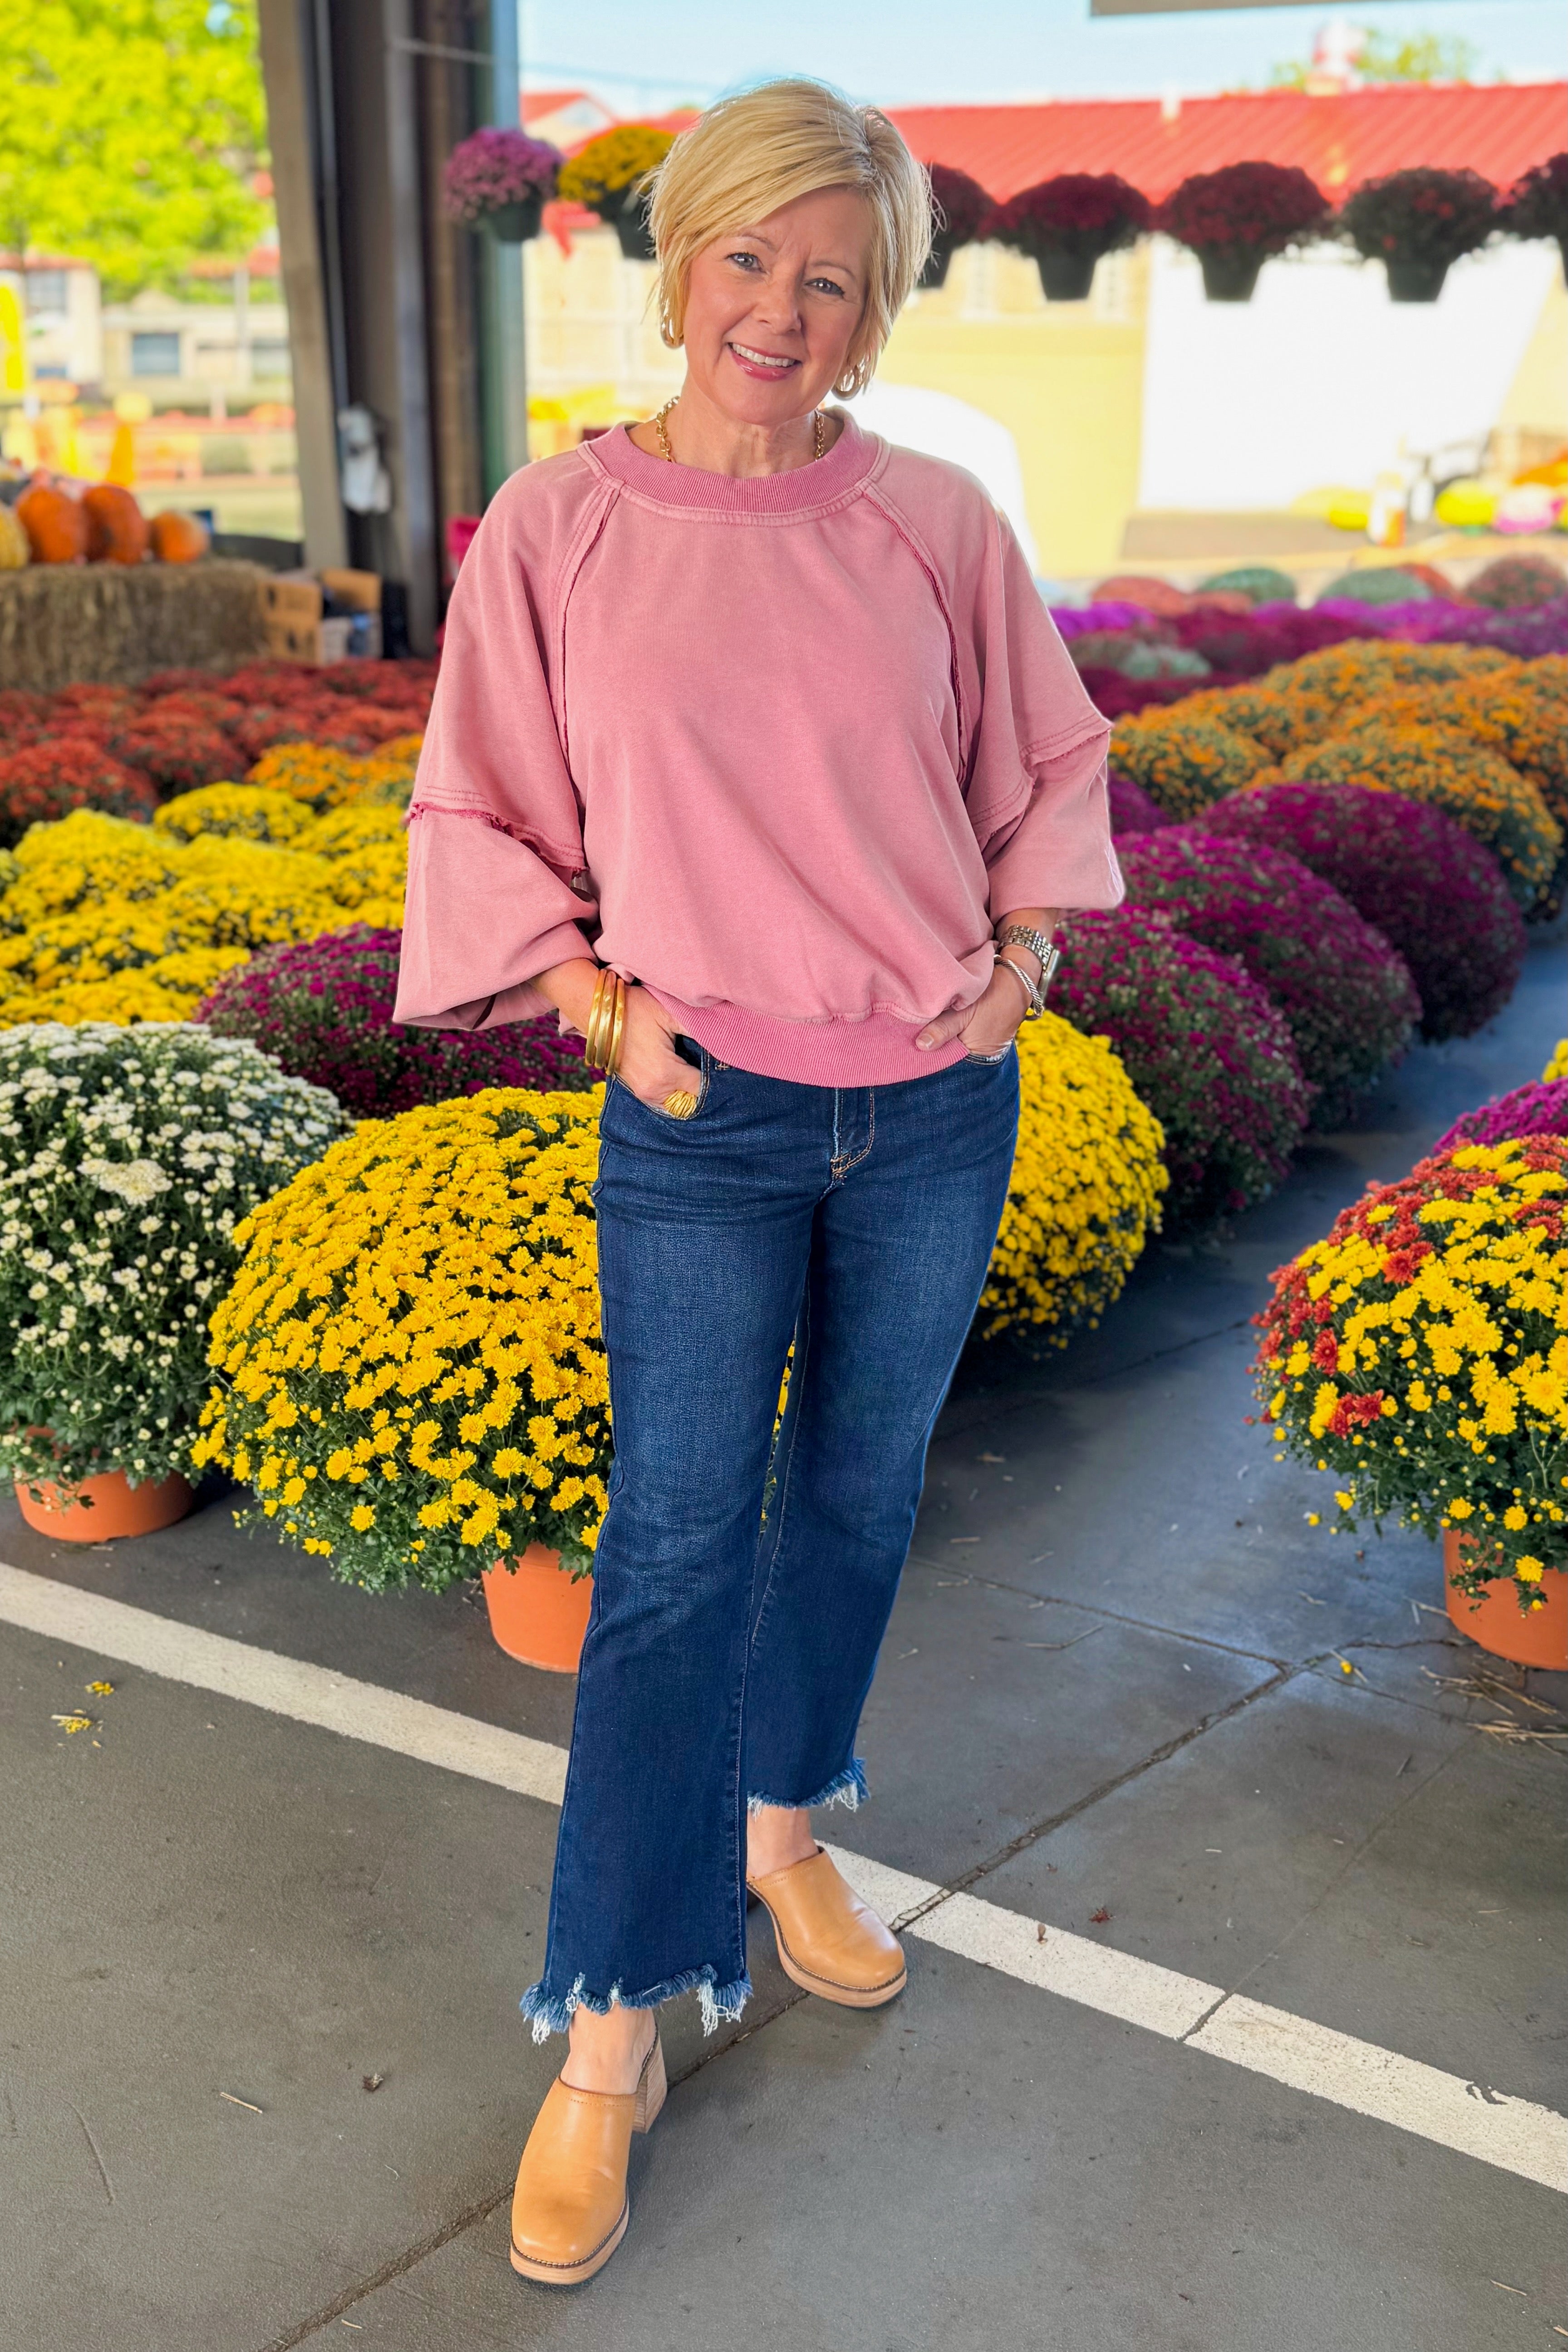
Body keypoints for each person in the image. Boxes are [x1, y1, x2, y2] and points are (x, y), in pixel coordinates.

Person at [395, 76, 1120, 2288]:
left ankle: (787, 1834)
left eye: (833, 274)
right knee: (676, 1557)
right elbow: (481, 815)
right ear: (677, 256)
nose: (781, 308)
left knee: (867, 1499)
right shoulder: (560, 529)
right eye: (747, 257)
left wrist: (1017, 965)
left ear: (877, 306)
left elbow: (1049, 763)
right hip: (696, 1125)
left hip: (931, 1110)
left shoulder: (934, 523)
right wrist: (608, 1014)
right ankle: (612, 2021)